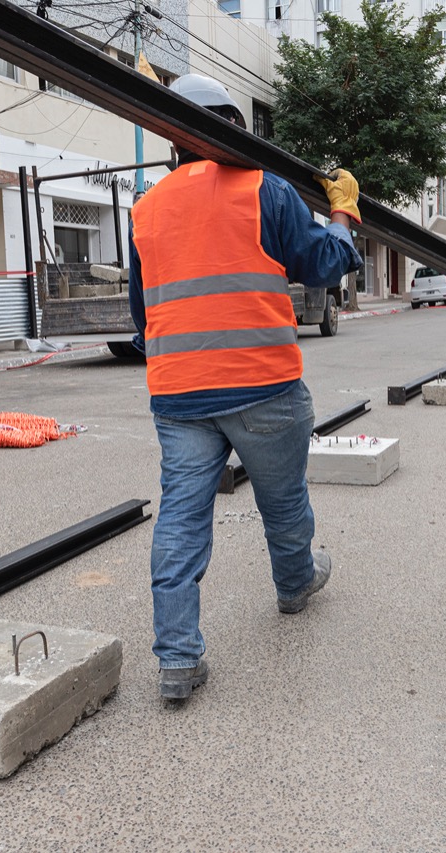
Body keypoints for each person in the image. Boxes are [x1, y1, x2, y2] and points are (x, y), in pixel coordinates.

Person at [128, 73, 363, 702]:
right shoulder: (266, 189)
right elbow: (324, 265)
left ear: (174, 140)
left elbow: (142, 316)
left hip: (180, 397)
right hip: (264, 386)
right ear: (236, 128)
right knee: (282, 503)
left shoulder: (146, 210)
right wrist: (343, 213)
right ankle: (294, 586)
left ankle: (177, 659)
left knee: (180, 522)